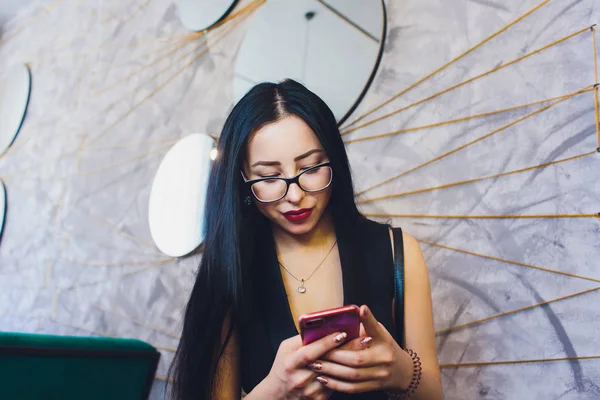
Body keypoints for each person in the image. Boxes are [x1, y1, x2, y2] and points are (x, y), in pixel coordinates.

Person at [169, 79, 443, 400]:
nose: (295, 196)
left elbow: (433, 393)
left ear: (334, 163)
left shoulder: (398, 251)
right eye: (270, 177)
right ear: (242, 180)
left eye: (311, 168)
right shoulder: (231, 270)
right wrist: (274, 391)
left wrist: (400, 370)